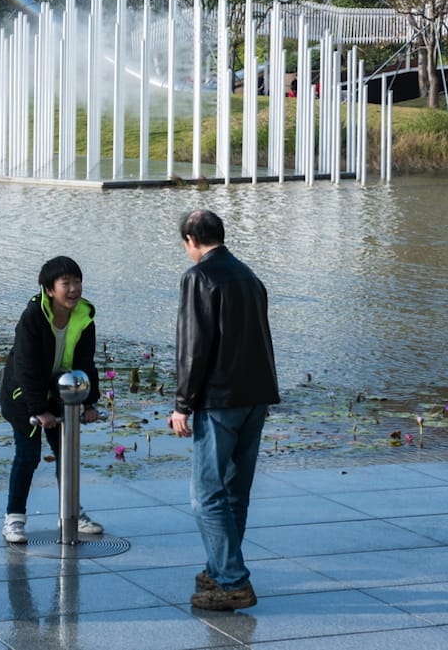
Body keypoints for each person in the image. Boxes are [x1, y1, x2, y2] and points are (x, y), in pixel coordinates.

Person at [169, 209, 278, 612]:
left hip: (219, 400)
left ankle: (232, 579)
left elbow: (193, 347)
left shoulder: (198, 277)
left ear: (190, 240)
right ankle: (219, 569)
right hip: (257, 395)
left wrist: (182, 404)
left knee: (206, 496)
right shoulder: (249, 276)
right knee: (235, 492)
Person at [0, 255, 104, 545]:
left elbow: (85, 362)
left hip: (61, 391)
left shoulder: (84, 316)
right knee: (27, 456)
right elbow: (25, 368)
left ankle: (70, 513)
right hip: (23, 395)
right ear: (49, 289)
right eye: (65, 283)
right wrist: (38, 410)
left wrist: (90, 402)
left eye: (77, 282)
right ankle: (14, 519)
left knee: (67, 455)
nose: (73, 289)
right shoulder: (32, 317)